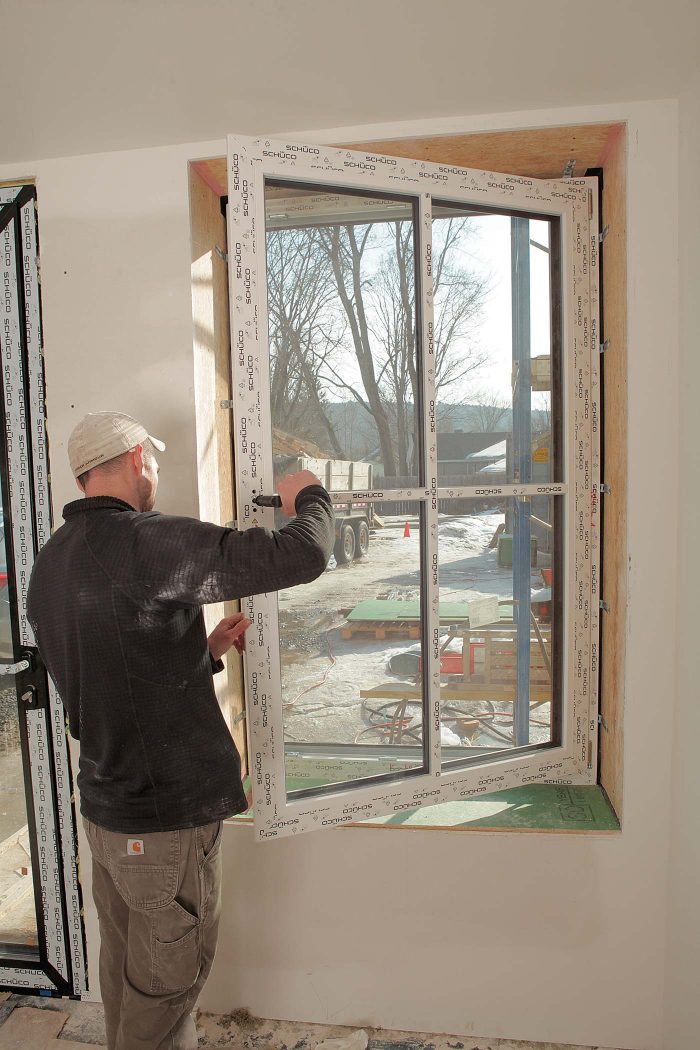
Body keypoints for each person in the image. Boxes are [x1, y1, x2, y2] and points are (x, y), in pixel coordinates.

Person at [26, 411, 334, 1050]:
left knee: (127, 975)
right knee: (166, 987)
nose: (157, 473)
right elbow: (302, 554)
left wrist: (205, 652)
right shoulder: (146, 543)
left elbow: (104, 680)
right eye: (154, 462)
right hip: (161, 823)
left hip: (108, 814)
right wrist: (308, 493)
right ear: (137, 458)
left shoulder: (50, 564)